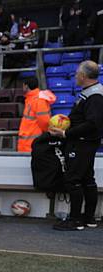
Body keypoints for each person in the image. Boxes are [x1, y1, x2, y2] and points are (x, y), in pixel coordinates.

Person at [49, 61, 103, 231]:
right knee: (87, 179)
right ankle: (88, 219)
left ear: (84, 76)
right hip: (84, 142)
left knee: (73, 179)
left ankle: (75, 220)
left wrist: (66, 133)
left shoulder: (95, 96)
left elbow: (92, 123)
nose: (75, 76)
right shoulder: (91, 92)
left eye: (77, 73)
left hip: (82, 143)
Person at [17, 77, 56, 152]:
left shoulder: (38, 100)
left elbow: (44, 122)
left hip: (32, 145)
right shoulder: (32, 99)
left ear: (26, 86)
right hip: (28, 144)